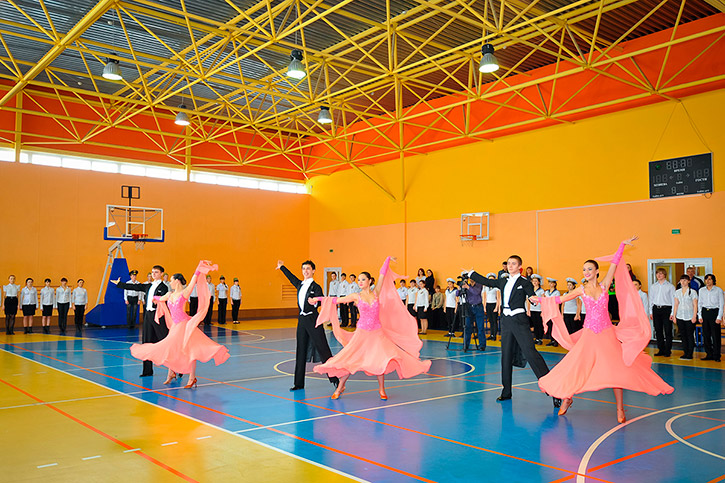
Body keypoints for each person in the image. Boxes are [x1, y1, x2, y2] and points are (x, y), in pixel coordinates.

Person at [536, 237, 674, 423]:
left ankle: (620, 408)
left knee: (617, 370)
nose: (586, 272)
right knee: (578, 367)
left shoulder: (605, 285)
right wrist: (540, 300)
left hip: (607, 334)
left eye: (589, 269)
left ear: (596, 271)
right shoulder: (580, 290)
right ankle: (567, 398)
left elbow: (614, 264)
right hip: (589, 335)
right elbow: (559, 300)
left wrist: (622, 245)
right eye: (584, 269)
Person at [311, 257, 431, 400]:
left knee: (380, 360)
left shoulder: (376, 292)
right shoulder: (356, 296)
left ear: (369, 281)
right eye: (359, 280)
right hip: (361, 334)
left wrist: (387, 260)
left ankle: (381, 390)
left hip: (377, 334)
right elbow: (336, 300)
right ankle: (340, 386)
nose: (360, 282)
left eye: (363, 279)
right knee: (351, 360)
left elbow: (382, 274)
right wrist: (318, 299)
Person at [468, 256, 560, 407]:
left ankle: (553, 391)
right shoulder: (502, 281)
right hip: (506, 321)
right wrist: (472, 273)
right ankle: (506, 392)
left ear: (519, 267)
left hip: (519, 320)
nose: (510, 266)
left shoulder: (525, 282)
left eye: (513, 264)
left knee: (531, 353)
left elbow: (530, 295)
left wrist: (533, 299)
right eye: (509, 263)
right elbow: (487, 282)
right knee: (506, 356)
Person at [131, 262, 230, 389]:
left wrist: (199, 269)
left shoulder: (184, 293)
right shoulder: (169, 294)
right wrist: (154, 298)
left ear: (177, 281)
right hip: (175, 327)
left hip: (185, 326)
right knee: (171, 349)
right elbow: (159, 298)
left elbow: (193, 281)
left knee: (191, 352)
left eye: (172, 280)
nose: (170, 282)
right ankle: (171, 373)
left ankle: (191, 378)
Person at [276, 259, 339, 391]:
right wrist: (282, 267)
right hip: (302, 321)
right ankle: (298, 384)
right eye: (304, 269)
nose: (305, 271)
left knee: (323, 348)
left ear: (313, 271)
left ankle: (335, 380)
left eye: (308, 269)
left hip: (313, 320)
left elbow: (321, 300)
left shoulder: (316, 287)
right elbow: (291, 277)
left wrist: (315, 301)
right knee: (300, 350)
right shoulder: (300, 284)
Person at [111, 266, 169, 376]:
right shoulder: (148, 285)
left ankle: (176, 368)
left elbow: (164, 301)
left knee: (165, 342)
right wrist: (120, 284)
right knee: (146, 343)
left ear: (161, 273)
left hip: (158, 317)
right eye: (152, 272)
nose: (154, 274)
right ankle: (147, 371)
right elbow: (135, 287)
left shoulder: (164, 287)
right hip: (148, 316)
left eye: (156, 272)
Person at [649, 267, 675, 357]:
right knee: (658, 330)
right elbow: (651, 299)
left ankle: (668, 350)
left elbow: (673, 301)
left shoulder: (670, 286)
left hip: (666, 309)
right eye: (657, 273)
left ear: (664, 275)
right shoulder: (653, 286)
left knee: (668, 330)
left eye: (661, 273)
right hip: (656, 309)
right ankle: (661, 349)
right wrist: (651, 312)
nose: (659, 275)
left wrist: (672, 313)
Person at [698, 274, 724, 362]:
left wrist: (719, 317)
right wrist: (700, 315)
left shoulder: (718, 290)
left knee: (715, 335)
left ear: (713, 280)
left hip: (714, 312)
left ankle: (717, 355)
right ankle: (709, 354)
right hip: (705, 312)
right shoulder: (701, 290)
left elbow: (721, 304)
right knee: (706, 335)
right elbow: (700, 303)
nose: (708, 281)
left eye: (710, 279)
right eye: (706, 279)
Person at [672, 274, 698, 360]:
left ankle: (690, 353)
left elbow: (695, 305)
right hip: (680, 316)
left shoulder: (693, 292)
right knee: (683, 335)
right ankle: (685, 352)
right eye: (681, 280)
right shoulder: (677, 292)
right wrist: (674, 316)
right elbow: (676, 304)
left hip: (690, 316)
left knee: (689, 335)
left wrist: (694, 316)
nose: (683, 282)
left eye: (685, 280)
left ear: (688, 281)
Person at [463, 278, 485, 351]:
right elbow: (458, 294)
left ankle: (482, 345)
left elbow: (476, 292)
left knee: (480, 327)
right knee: (467, 327)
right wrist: (460, 288)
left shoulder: (479, 285)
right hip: (469, 307)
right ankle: (466, 345)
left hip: (478, 307)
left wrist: (467, 287)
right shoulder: (467, 286)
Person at [526, 274, 545, 345]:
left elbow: (543, 301)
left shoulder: (541, 291)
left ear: (539, 282)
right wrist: (528, 310)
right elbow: (528, 300)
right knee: (534, 324)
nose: (534, 282)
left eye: (536, 281)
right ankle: (536, 338)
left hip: (539, 310)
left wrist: (542, 310)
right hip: (532, 309)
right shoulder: (530, 290)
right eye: (533, 281)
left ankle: (540, 338)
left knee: (539, 324)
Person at [484, 273, 501, 341]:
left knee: (494, 321)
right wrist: (484, 307)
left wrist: (497, 307)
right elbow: (485, 298)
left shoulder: (496, 288)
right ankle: (491, 334)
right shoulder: (486, 288)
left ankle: (494, 335)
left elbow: (498, 298)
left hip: (494, 304)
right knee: (490, 321)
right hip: (488, 304)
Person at [545, 278, 561, 346]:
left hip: (554, 310)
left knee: (555, 326)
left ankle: (556, 340)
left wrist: (557, 311)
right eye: (549, 283)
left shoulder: (557, 292)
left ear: (554, 284)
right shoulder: (546, 292)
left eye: (552, 283)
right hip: (548, 311)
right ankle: (551, 340)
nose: (550, 284)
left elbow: (557, 302)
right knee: (549, 325)